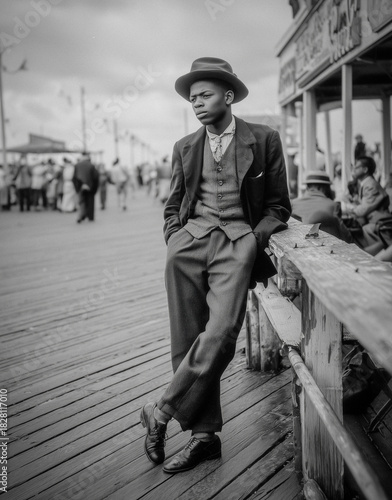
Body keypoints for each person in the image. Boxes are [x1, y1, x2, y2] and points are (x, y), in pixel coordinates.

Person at [140, 57, 291, 474]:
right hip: (190, 244)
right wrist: (175, 238)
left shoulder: (263, 139)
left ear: (228, 96)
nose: (197, 104)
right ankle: (204, 438)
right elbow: (173, 204)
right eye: (192, 99)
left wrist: (251, 240)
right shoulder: (185, 146)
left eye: (205, 96)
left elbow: (279, 205)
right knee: (187, 338)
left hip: (237, 242)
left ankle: (160, 409)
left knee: (222, 333)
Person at [291, 171, 353, 243]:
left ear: (307, 187)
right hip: (327, 248)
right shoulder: (333, 205)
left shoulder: (294, 203)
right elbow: (347, 238)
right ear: (323, 188)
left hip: (299, 245)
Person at [345, 156, 390, 246]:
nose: (353, 169)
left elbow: (362, 211)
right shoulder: (367, 183)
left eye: (356, 167)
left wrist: (346, 208)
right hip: (374, 222)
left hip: (379, 225)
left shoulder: (370, 185)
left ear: (365, 169)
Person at [72, 153, 99, 223]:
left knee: (81, 201)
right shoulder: (91, 165)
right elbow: (95, 177)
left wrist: (77, 187)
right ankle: (90, 216)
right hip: (90, 186)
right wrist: (94, 188)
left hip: (80, 186)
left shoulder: (77, 165)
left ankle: (81, 215)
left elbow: (74, 177)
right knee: (90, 201)